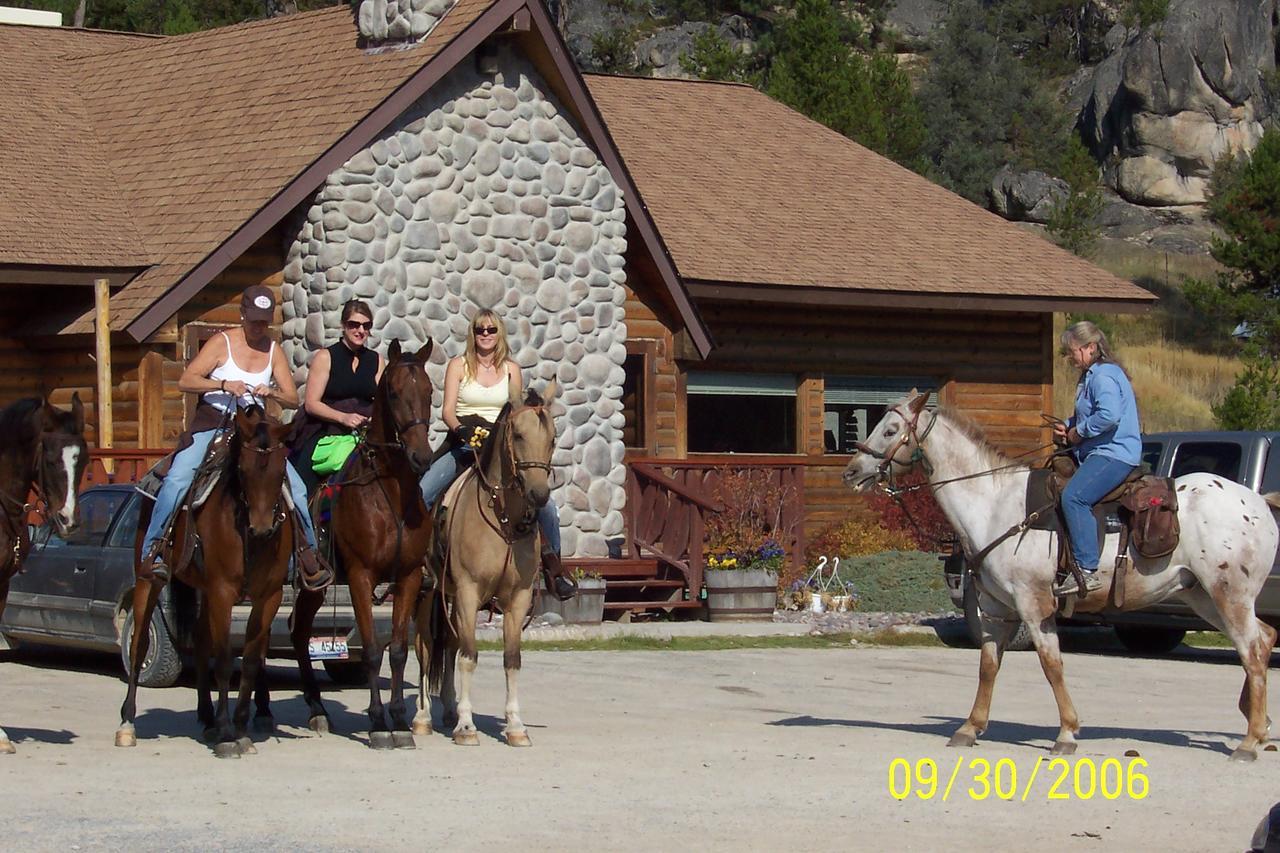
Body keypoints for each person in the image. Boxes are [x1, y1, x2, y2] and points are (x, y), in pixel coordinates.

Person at [141, 285, 332, 589]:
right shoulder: (221, 343)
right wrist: (224, 384)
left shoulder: (273, 350)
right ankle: (155, 548)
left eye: (263, 321)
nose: (258, 327)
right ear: (242, 315)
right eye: (253, 320)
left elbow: (293, 399)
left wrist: (273, 393)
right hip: (214, 425)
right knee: (178, 478)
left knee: (294, 487)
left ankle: (307, 555)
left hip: (255, 431)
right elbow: (186, 380)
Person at [418, 309, 577, 601]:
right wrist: (461, 430)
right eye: (480, 330)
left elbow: (517, 412)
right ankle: (418, 568)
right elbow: (447, 410)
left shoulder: (511, 370)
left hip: (502, 451)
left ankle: (554, 568)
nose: (486, 335)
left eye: (491, 330)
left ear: (499, 333)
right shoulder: (458, 366)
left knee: (547, 507)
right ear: (473, 333)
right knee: (424, 491)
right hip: (465, 445)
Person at [1051, 320, 1141, 596]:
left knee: (1074, 497)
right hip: (1100, 450)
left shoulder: (1102, 376)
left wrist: (1079, 432)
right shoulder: (1094, 375)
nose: (1070, 358)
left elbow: (1109, 415)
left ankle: (1087, 569)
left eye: (1073, 351)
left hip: (1113, 453)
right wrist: (1069, 425)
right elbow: (1092, 413)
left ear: (1090, 347)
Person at [290, 299, 384, 496]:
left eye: (366, 326)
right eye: (354, 325)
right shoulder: (326, 356)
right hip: (326, 427)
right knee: (299, 485)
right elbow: (312, 403)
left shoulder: (377, 360)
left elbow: (382, 402)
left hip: (365, 430)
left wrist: (374, 420)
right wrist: (344, 417)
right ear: (343, 326)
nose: (360, 330)